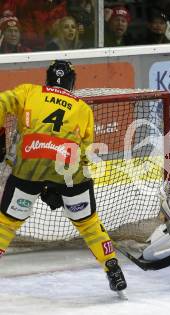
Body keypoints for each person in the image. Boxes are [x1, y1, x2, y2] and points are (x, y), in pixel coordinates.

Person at [0, 60, 127, 295]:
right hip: (70, 170)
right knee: (88, 224)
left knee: (7, 224)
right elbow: (86, 151)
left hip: (29, 165)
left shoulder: (29, 91)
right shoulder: (82, 108)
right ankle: (112, 267)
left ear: (47, 79)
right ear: (72, 83)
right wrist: (64, 187)